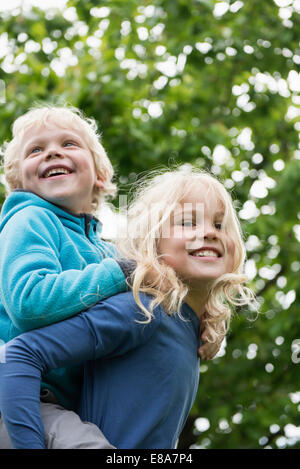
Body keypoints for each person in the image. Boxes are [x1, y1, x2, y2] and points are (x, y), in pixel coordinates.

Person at [0, 167, 257, 449]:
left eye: (220, 225)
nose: (209, 232)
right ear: (153, 243)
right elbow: (21, 354)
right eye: (187, 223)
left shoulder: (191, 327)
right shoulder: (142, 310)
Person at [0, 104, 135, 448]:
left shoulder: (107, 251)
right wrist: (118, 272)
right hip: (21, 395)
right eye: (36, 150)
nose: (53, 152)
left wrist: (204, 319)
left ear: (100, 174)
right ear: (19, 181)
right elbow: (30, 301)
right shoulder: (29, 219)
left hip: (65, 403)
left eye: (69, 144)